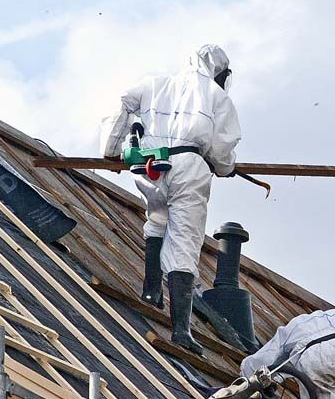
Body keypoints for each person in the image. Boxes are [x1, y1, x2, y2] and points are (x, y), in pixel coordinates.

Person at [100, 45, 240, 356]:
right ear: (220, 72)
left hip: (150, 165)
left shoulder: (155, 84)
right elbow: (222, 151)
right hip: (189, 166)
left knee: (157, 218)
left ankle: (151, 289)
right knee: (185, 243)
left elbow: (123, 101)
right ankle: (181, 329)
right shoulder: (217, 97)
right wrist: (226, 167)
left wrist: (110, 147)